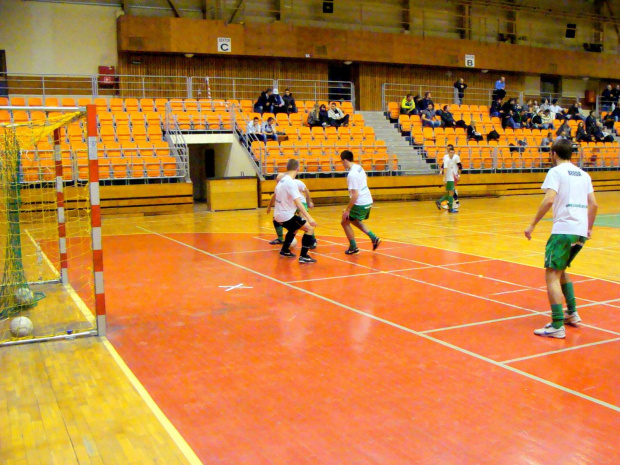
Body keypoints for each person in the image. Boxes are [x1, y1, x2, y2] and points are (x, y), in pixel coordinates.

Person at [524, 138, 597, 338]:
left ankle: (557, 324)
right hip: (579, 231)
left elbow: (549, 199)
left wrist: (532, 224)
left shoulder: (555, 172)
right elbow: (594, 204)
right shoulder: (584, 174)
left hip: (563, 230)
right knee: (561, 269)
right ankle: (572, 313)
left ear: (554, 154)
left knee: (551, 275)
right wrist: (588, 228)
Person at [270, 159, 318, 263]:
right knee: (309, 229)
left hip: (278, 215)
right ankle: (304, 256)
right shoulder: (290, 183)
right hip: (286, 216)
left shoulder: (281, 181)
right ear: (298, 169)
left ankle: (285, 250)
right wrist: (309, 218)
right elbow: (298, 202)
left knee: (294, 229)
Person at [340, 150, 381, 255]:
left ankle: (353, 247)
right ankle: (374, 238)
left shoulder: (352, 175)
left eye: (341, 162)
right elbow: (366, 179)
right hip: (368, 200)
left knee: (344, 221)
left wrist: (347, 210)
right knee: (355, 221)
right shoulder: (359, 168)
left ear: (345, 160)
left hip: (360, 202)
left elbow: (355, 195)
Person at [268, 173, 316, 248]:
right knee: (276, 219)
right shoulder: (281, 185)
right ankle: (281, 239)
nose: (278, 183)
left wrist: (308, 202)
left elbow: (306, 191)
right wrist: (269, 207)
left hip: (300, 202)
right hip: (290, 205)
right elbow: (274, 196)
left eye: (279, 181)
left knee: (304, 221)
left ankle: (312, 240)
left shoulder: (296, 183)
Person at [435, 145, 459, 213]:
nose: (452, 153)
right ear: (448, 152)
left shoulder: (451, 160)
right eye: (450, 152)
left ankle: (439, 201)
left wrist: (456, 176)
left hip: (451, 177)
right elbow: (445, 169)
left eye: (453, 152)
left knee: (450, 193)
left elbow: (452, 169)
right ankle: (450, 208)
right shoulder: (447, 159)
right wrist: (444, 178)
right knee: (451, 193)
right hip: (449, 178)